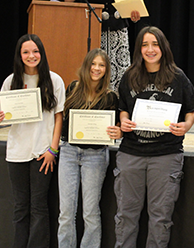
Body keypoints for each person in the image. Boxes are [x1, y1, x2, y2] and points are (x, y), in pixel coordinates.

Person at [114, 26, 194, 247]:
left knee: (160, 218)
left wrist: (186, 126)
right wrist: (123, 120)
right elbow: (123, 107)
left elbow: (191, 110)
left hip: (166, 154)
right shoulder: (129, 76)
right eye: (144, 45)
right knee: (125, 215)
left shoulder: (178, 77)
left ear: (163, 47)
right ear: (138, 49)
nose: (150, 49)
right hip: (131, 153)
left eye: (155, 44)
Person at [0, 34, 65, 248]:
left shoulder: (54, 80)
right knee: (21, 207)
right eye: (26, 52)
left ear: (41, 53)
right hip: (17, 152)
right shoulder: (10, 81)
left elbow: (59, 116)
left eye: (35, 51)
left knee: (39, 206)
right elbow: (4, 117)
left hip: (43, 152)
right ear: (19, 55)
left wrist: (53, 149)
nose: (31, 56)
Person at [57, 48, 122, 248]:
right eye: (93, 64)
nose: (96, 68)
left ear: (106, 70)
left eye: (101, 65)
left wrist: (117, 132)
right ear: (86, 65)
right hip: (69, 151)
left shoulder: (111, 97)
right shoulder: (73, 88)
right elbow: (63, 120)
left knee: (90, 212)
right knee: (66, 212)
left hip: (95, 155)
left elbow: (117, 128)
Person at [76, 0, 141, 91]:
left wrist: (134, 12)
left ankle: (119, 100)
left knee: (120, 70)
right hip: (92, 26)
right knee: (94, 64)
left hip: (118, 28)